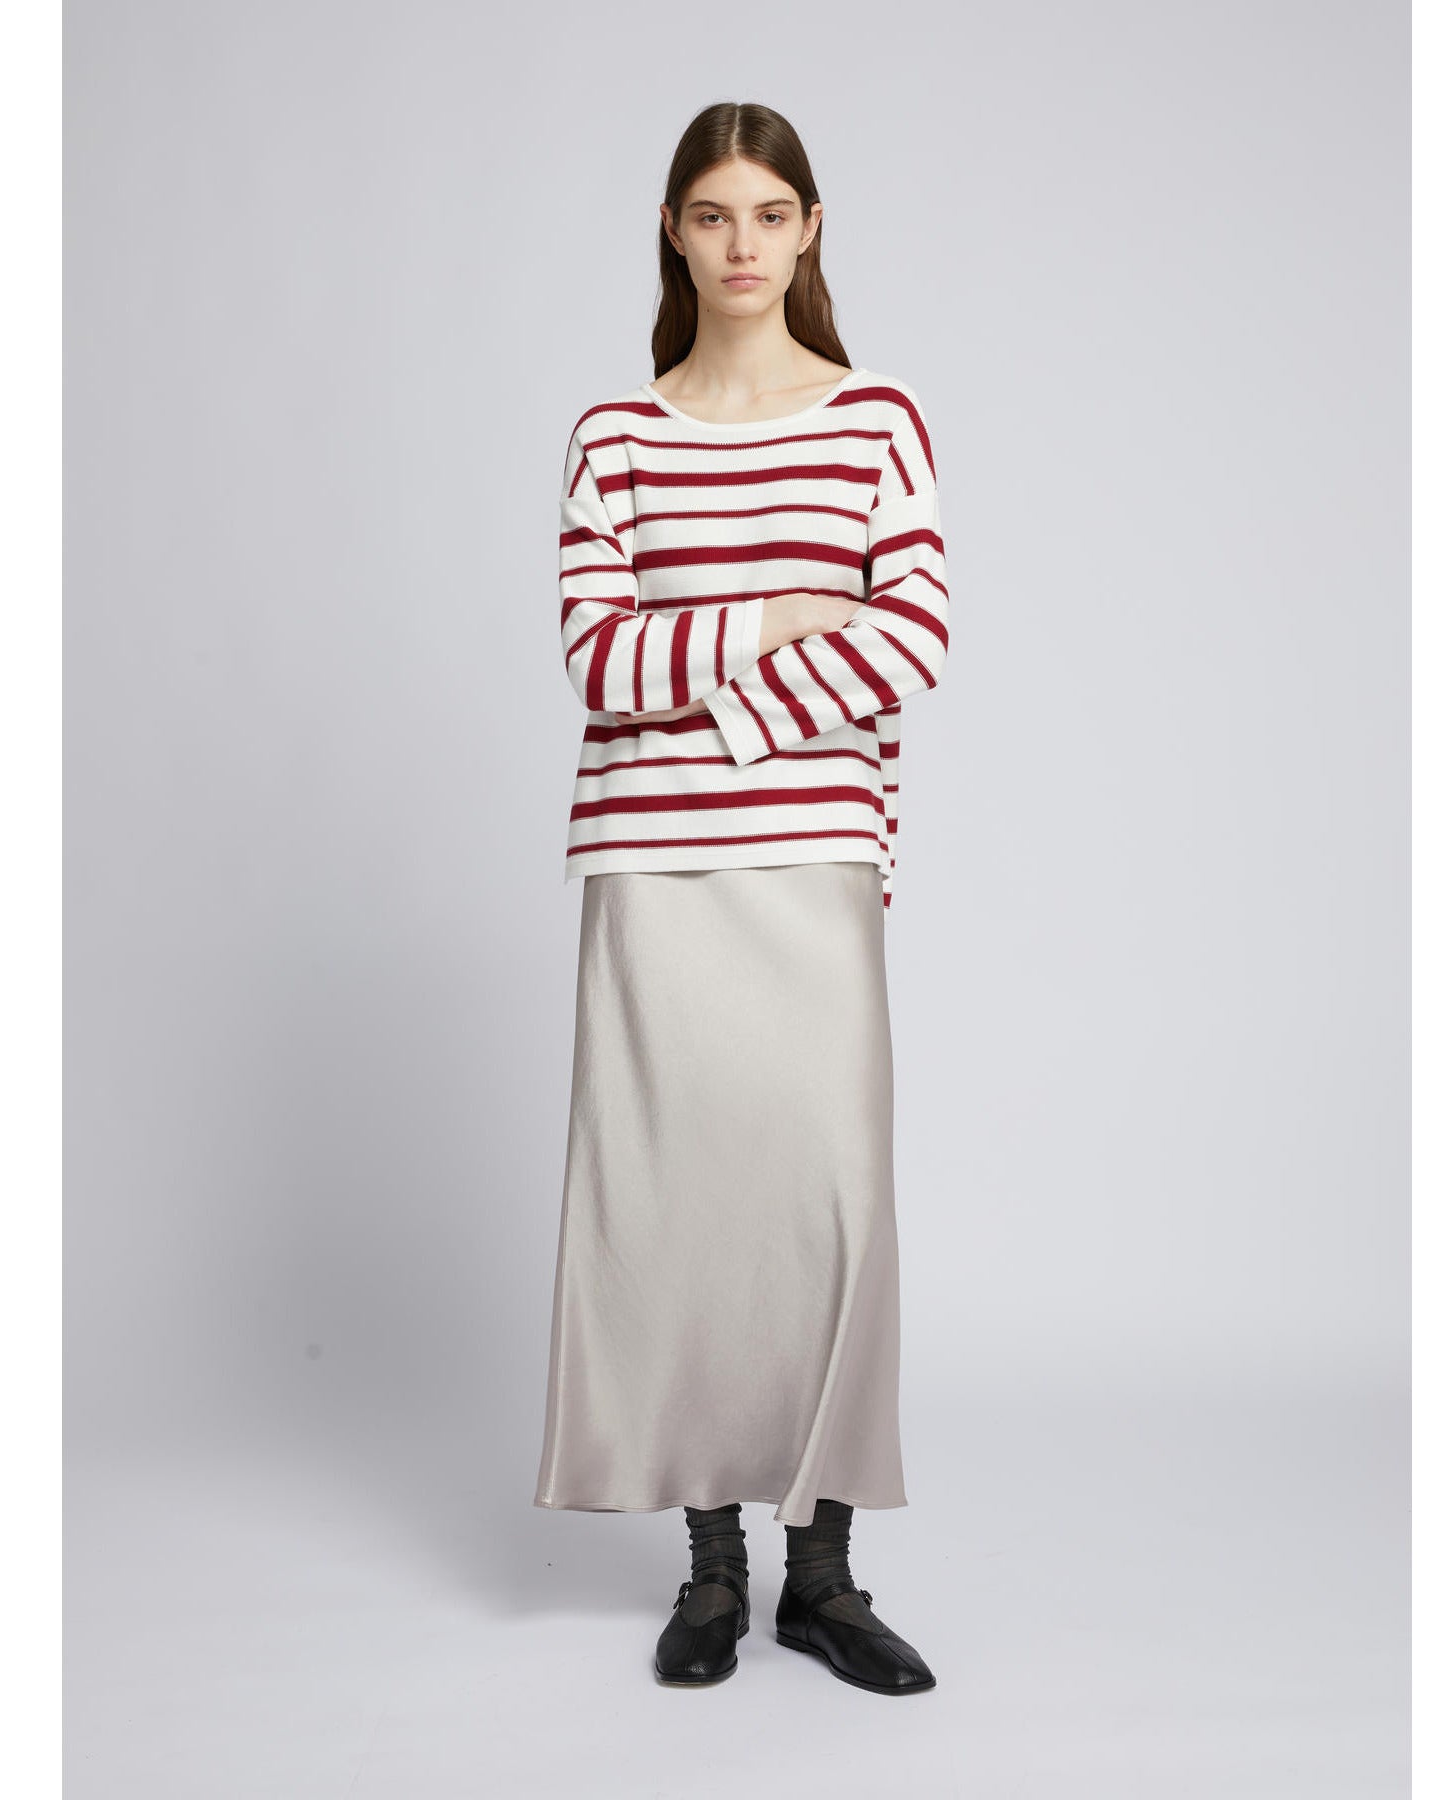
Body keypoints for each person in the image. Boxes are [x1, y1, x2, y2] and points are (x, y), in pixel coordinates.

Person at [531, 100, 949, 1696]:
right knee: (679, 1211)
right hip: (652, 872)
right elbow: (594, 657)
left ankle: (821, 1578)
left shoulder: (876, 420)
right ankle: (713, 1571)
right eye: (713, 215)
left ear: (810, 228)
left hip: (814, 858)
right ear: (674, 232)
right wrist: (780, 613)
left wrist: (718, 702)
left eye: (771, 214)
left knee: (832, 1205)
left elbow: (912, 636)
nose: (743, 245)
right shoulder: (616, 437)